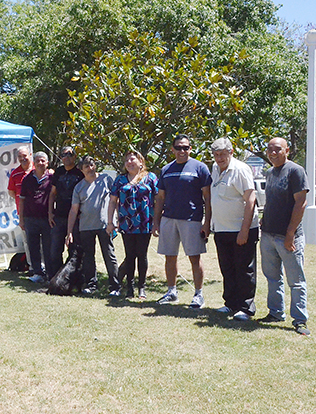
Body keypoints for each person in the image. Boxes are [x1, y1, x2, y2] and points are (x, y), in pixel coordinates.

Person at [153, 134, 212, 308]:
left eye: (185, 147)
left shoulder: (200, 168)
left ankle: (198, 295)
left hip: (191, 220)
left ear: (190, 149)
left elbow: (207, 198)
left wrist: (207, 222)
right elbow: (160, 198)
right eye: (178, 147)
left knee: (194, 257)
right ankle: (172, 292)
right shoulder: (166, 170)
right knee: (169, 257)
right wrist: (156, 221)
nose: (182, 151)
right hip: (169, 219)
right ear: (172, 150)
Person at [258, 137, 309, 335]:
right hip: (269, 234)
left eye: (277, 149)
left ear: (287, 150)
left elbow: (301, 203)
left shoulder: (296, 171)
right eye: (270, 149)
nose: (273, 153)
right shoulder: (270, 172)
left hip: (288, 237)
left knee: (296, 281)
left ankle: (300, 320)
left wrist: (290, 233)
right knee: (272, 278)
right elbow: (272, 200)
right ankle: (276, 312)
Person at [209, 138, 259, 321]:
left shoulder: (240, 169)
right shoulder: (215, 169)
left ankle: (246, 308)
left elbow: (251, 200)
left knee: (244, 269)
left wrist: (244, 230)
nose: (219, 158)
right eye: (216, 154)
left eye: (223, 154)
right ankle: (230, 304)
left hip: (241, 229)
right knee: (227, 269)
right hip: (222, 229)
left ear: (231, 152)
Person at [66, 155, 121, 296]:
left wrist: (117, 220)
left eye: (92, 165)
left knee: (109, 255)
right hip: (85, 227)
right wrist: (69, 231)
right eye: (86, 166)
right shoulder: (79, 187)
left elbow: (116, 200)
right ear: (81, 170)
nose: (90, 168)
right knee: (88, 257)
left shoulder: (106, 179)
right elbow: (73, 210)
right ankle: (91, 285)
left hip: (105, 225)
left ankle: (115, 286)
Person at [107, 151, 158, 300]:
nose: (129, 162)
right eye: (127, 160)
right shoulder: (120, 180)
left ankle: (142, 287)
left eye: (132, 159)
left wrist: (157, 221)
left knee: (142, 255)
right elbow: (112, 201)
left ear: (140, 162)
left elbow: (159, 199)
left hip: (145, 223)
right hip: (126, 223)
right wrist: (110, 222)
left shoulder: (150, 178)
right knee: (130, 256)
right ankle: (130, 287)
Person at [47, 146, 84, 281]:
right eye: (64, 154)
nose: (66, 157)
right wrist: (50, 213)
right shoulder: (59, 172)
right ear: (61, 157)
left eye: (70, 154)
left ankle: (73, 279)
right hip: (59, 217)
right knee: (55, 250)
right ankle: (55, 278)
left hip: (75, 218)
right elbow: (52, 194)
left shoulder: (80, 173)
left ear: (74, 157)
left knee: (74, 250)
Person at [19, 151, 53, 283]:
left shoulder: (51, 179)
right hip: (30, 218)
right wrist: (21, 219)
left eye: (42, 161)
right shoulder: (27, 179)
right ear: (34, 162)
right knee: (33, 247)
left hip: (46, 219)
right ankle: (37, 272)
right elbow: (21, 200)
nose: (40, 163)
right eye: (37, 160)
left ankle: (50, 274)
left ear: (47, 163)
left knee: (48, 247)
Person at [7, 146, 33, 212]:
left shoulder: (37, 169)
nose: (22, 158)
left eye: (24, 155)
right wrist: (20, 199)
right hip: (23, 212)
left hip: (39, 212)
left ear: (30, 155)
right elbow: (11, 192)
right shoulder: (14, 174)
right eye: (19, 156)